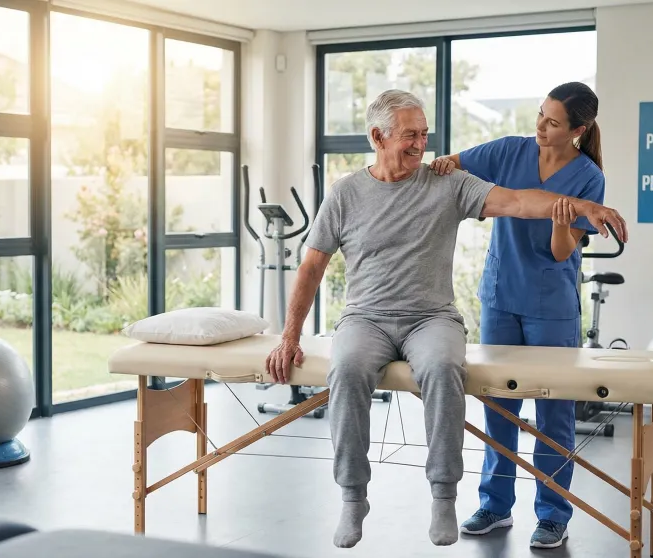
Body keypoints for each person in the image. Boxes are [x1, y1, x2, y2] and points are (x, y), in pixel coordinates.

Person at [264, 88, 627, 550]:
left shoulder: (466, 185)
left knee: (489, 387)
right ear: (378, 137)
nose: (421, 145)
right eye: (410, 136)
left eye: (424, 135)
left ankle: (476, 502)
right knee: (371, 375)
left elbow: (519, 203)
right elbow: (313, 265)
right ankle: (367, 499)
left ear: (577, 131)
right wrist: (287, 337)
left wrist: (583, 208)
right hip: (399, 313)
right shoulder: (350, 192)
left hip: (477, 311)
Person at [428, 81, 607, 550]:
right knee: (498, 407)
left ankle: (552, 514)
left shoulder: (588, 176)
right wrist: (437, 165)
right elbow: (451, 164)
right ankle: (494, 504)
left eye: (553, 122)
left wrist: (562, 223)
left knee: (554, 412)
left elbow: (560, 251)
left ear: (578, 130)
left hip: (551, 305)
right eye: (540, 116)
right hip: (501, 296)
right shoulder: (509, 151)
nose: (541, 127)